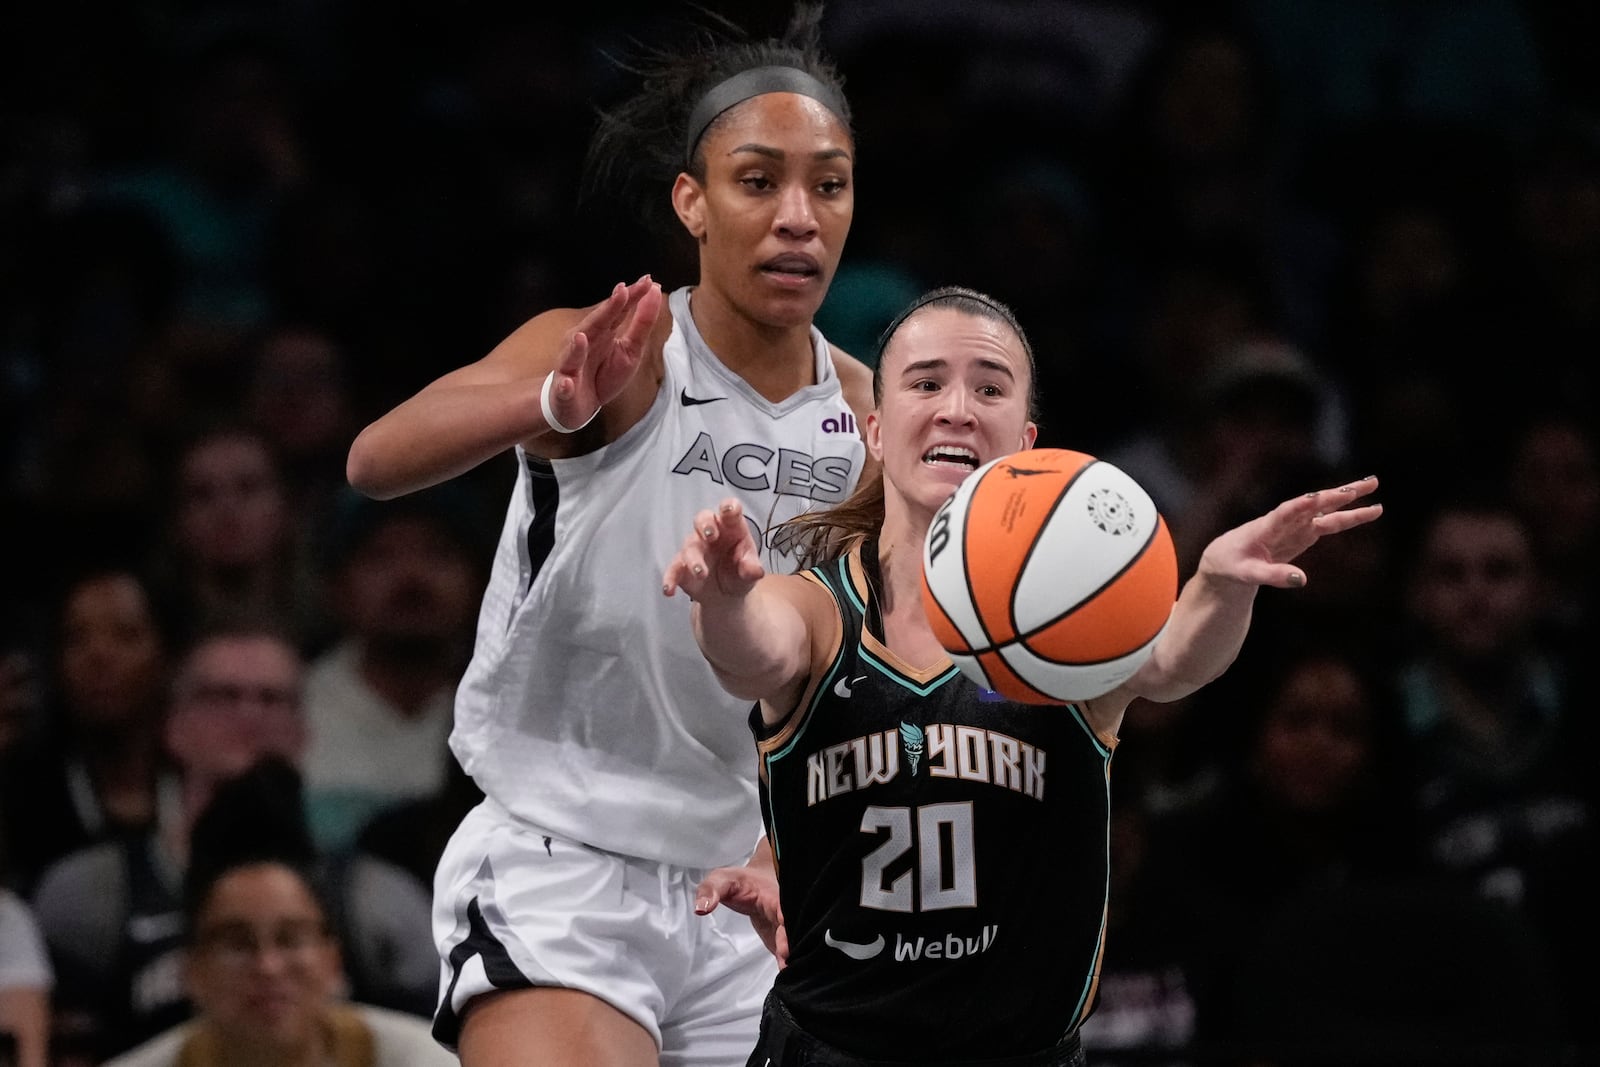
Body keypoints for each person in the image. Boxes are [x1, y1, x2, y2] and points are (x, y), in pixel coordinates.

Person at [342, 5, 872, 1065]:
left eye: (829, 182)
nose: (798, 216)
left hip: (749, 885)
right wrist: (545, 403)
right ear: (692, 200)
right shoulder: (623, 350)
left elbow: (855, 668)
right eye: (758, 180)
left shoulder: (865, 417)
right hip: (563, 860)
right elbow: (376, 459)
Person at [665, 286, 1382, 1065]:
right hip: (832, 1048)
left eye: (990, 387)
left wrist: (1219, 586)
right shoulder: (819, 610)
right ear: (874, 429)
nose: (957, 408)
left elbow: (1174, 659)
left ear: (1026, 439)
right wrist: (725, 595)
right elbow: (751, 650)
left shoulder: (1072, 620)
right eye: (926, 382)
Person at [100, 787, 455, 1067]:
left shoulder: (428, 1062)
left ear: (333, 961)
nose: (268, 967)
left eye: (291, 939)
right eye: (238, 944)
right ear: (192, 971)